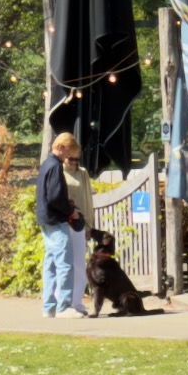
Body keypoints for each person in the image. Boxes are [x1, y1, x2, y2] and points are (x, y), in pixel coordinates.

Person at [36, 131, 88, 316]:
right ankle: (64, 307)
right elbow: (55, 197)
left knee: (50, 265)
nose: (68, 158)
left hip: (46, 219)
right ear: (61, 148)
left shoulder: (46, 165)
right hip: (56, 220)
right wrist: (70, 210)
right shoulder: (55, 167)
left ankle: (48, 307)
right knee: (65, 263)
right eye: (68, 153)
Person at [83, 227, 152, 317]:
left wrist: (96, 312)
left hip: (131, 301)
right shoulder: (103, 261)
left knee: (101, 288)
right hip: (125, 301)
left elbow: (98, 289)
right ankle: (123, 311)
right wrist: (91, 232)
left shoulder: (103, 264)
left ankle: (126, 311)